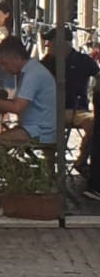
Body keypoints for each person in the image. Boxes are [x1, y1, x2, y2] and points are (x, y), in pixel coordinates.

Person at [0, 36, 57, 152]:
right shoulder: (29, 70)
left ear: (16, 57)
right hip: (32, 128)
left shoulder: (32, 74)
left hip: (39, 131)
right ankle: (14, 168)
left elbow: (17, 107)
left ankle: (15, 170)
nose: (3, 68)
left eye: (5, 63)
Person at [40, 30, 98, 172]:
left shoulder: (83, 60)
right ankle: (49, 169)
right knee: (45, 127)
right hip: (51, 109)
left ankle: (81, 160)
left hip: (78, 109)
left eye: (51, 41)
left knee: (94, 124)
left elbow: (98, 75)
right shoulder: (46, 62)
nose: (47, 45)